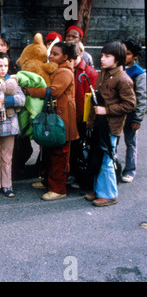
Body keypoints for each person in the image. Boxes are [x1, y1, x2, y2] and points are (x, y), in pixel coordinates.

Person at [24, 42, 79, 201]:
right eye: (51, 53)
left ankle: (58, 189)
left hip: (63, 120)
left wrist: (31, 91)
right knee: (48, 152)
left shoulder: (65, 71)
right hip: (55, 116)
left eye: (56, 54)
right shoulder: (57, 68)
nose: (51, 56)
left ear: (65, 56)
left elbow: (53, 91)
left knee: (59, 155)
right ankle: (48, 182)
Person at [85, 41, 136, 207]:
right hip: (98, 124)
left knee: (107, 160)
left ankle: (109, 194)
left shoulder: (123, 79)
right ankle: (99, 190)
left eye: (107, 56)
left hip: (110, 126)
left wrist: (106, 110)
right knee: (97, 157)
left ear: (118, 58)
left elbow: (130, 104)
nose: (102, 59)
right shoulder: (103, 73)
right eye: (102, 55)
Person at [0, 52, 26, 198]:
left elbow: (22, 99)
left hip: (10, 122)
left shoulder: (13, 81)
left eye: (6, 66)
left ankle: (7, 185)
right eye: (0, 66)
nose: (3, 69)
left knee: (7, 156)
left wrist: (6, 101)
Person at [69, 41, 98, 188]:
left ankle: (79, 177)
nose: (71, 61)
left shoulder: (89, 72)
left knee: (80, 148)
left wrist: (87, 119)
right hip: (69, 116)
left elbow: (89, 98)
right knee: (71, 148)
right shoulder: (67, 69)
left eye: (74, 57)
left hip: (82, 118)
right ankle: (71, 173)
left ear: (81, 54)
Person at [120, 39, 146, 183]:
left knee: (130, 142)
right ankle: (114, 168)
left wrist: (138, 119)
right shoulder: (117, 68)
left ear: (135, 56)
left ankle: (130, 170)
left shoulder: (139, 73)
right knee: (113, 141)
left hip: (130, 114)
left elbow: (142, 98)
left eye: (128, 54)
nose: (124, 56)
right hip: (117, 112)